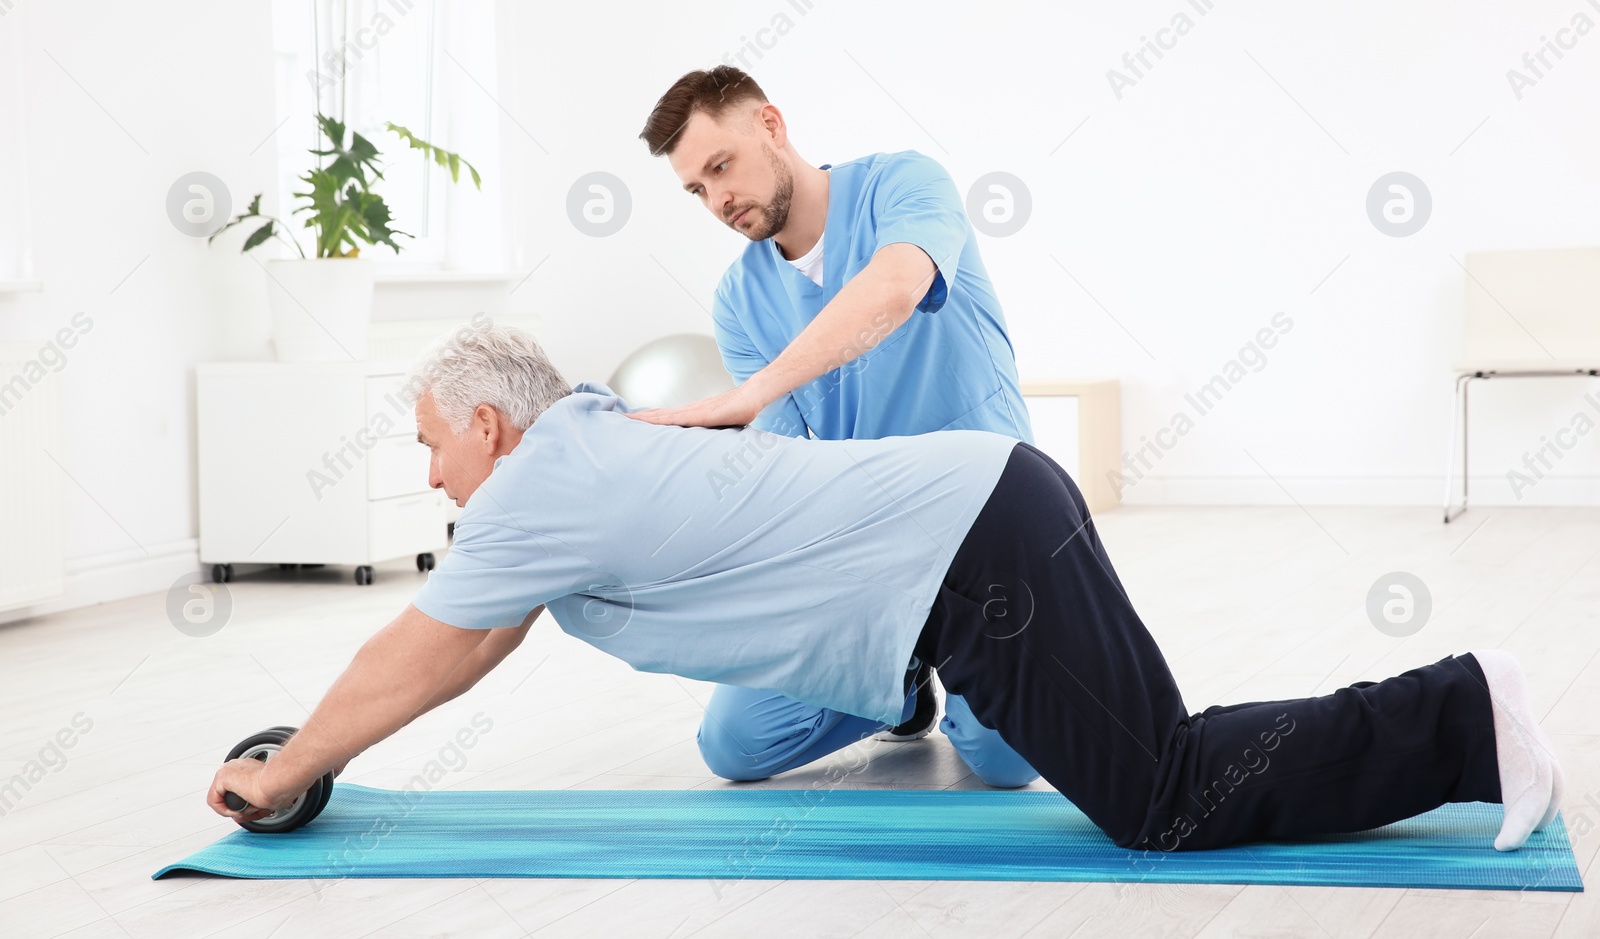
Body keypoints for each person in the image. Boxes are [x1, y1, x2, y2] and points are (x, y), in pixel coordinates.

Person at [209, 325, 1566, 853]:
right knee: (1163, 764)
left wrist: (295, 764)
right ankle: (1459, 717)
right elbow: (479, 630)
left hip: (974, 553)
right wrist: (312, 752)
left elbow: (427, 645)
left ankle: (1463, 712)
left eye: (431, 439)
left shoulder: (537, 485)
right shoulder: (570, 449)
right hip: (978, 522)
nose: (427, 466)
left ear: (488, 432)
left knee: (1165, 795)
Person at [631, 65, 1037, 788]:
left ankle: (960, 659)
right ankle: (902, 681)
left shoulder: (905, 184)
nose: (718, 199)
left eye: (721, 167)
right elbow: (794, 465)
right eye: (697, 189)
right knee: (735, 744)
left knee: (1004, 760)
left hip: (988, 516)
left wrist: (749, 393)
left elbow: (895, 287)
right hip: (876, 539)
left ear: (771, 126)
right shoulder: (739, 299)